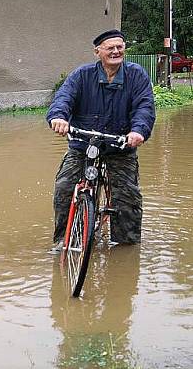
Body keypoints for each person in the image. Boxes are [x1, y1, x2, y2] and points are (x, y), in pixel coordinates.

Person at [46, 29, 156, 252]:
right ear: (98, 52)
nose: (116, 51)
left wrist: (138, 131)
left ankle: (125, 247)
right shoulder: (81, 75)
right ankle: (64, 240)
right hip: (83, 145)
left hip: (120, 146)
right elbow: (63, 98)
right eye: (110, 48)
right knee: (64, 188)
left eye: (120, 47)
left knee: (127, 195)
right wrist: (58, 117)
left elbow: (144, 107)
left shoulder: (137, 75)